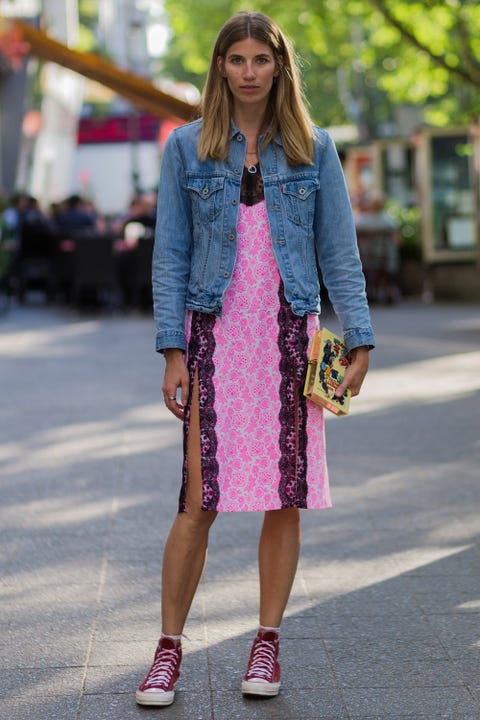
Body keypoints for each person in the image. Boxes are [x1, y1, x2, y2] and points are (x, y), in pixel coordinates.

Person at [136, 10, 375, 707]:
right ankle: (168, 649)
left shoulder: (313, 148)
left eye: (259, 60)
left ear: (278, 67)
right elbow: (170, 256)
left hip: (288, 339)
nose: (247, 71)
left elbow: (339, 253)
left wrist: (360, 339)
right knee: (197, 498)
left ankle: (267, 640)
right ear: (220, 68)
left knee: (283, 495)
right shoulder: (186, 147)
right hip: (213, 338)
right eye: (235, 59)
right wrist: (172, 350)